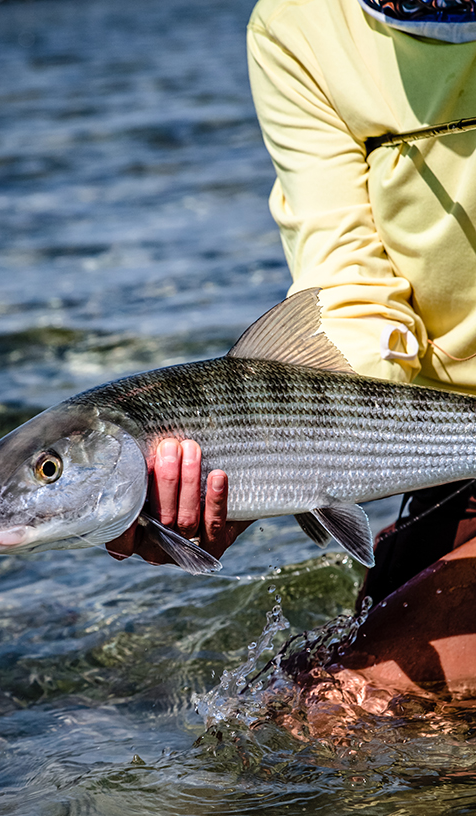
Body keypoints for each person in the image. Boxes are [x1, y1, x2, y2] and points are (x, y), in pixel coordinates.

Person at [108, 0, 476, 698]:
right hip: (445, 441)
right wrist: (266, 463)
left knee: (352, 706)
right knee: (303, 696)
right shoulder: (295, 25)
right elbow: (351, 290)